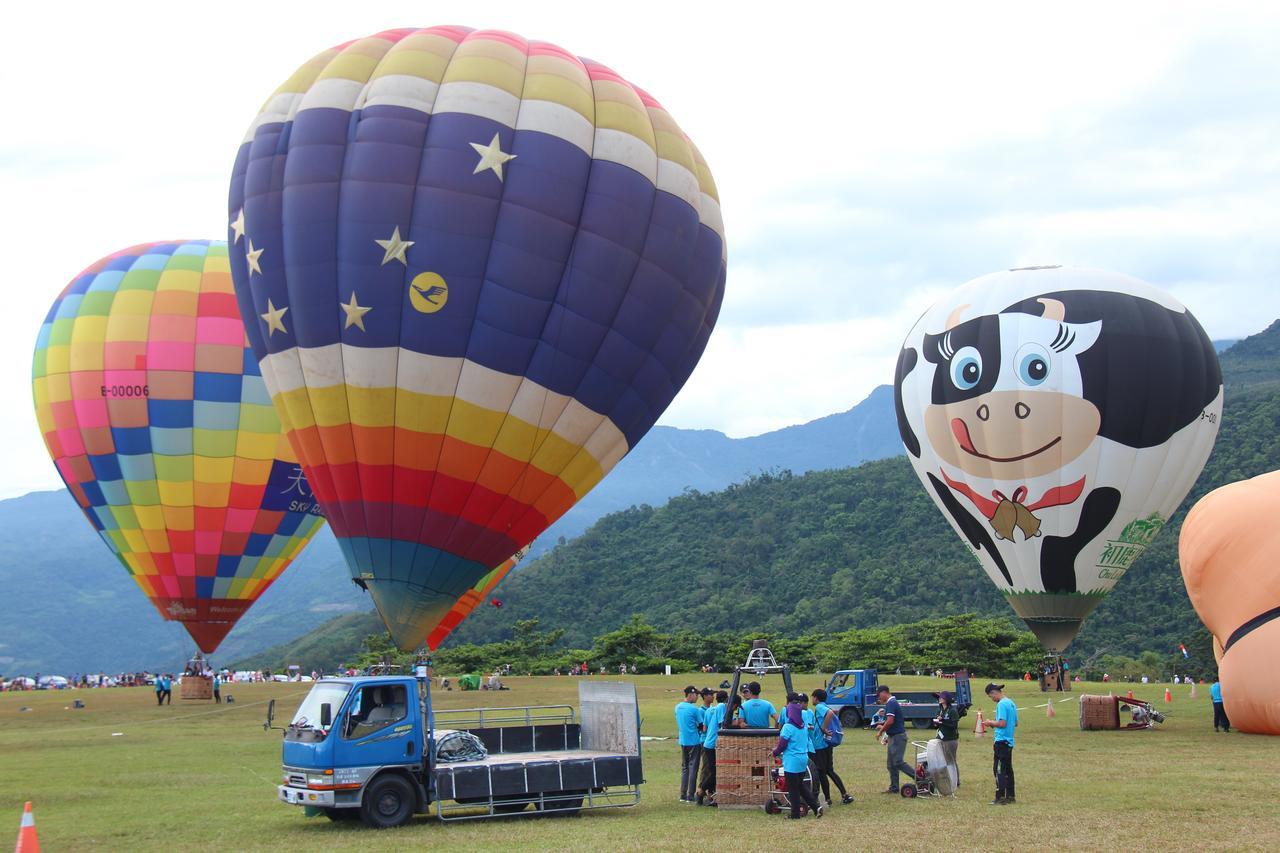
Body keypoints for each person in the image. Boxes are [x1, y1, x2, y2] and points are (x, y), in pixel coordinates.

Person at [772, 701, 823, 819]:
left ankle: (795, 814)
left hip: (792, 761)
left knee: (792, 788)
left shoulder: (787, 727)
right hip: (803, 759)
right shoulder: (803, 727)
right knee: (800, 786)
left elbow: (782, 745)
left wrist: (774, 752)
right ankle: (816, 807)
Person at [809, 689, 853, 806]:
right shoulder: (824, 706)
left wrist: (823, 728)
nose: (811, 699)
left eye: (812, 697)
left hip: (820, 745)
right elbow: (832, 712)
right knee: (829, 770)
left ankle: (828, 799)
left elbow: (830, 714)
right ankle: (845, 794)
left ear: (816, 698)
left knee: (821, 772)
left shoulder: (819, 707)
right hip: (827, 744)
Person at [874, 685, 915, 794]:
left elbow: (890, 721)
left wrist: (881, 731)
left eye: (879, 695)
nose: (879, 698)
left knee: (897, 762)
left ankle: (919, 778)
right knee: (891, 764)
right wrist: (887, 733)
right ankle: (894, 787)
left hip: (898, 737)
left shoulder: (891, 703)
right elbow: (891, 722)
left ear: (884, 693)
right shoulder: (890, 703)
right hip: (893, 736)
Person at [984, 682, 1018, 805]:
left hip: (1001, 742)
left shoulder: (1001, 704)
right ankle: (1010, 796)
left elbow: (1002, 723)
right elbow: (1015, 723)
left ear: (994, 693)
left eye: (990, 696)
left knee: (998, 770)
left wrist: (990, 723)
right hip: (1009, 742)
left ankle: (1000, 797)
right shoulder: (1011, 703)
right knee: (1008, 769)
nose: (991, 699)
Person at [698, 690, 727, 806]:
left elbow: (704, 728)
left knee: (710, 770)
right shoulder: (722, 708)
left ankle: (711, 795)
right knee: (714, 772)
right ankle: (701, 790)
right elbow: (721, 725)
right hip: (713, 743)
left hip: (706, 741)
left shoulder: (709, 710)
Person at [675, 686, 703, 803]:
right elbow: (702, 725)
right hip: (694, 741)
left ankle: (683, 794)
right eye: (696, 694)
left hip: (683, 741)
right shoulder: (694, 709)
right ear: (690, 695)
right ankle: (690, 795)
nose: (697, 697)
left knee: (685, 768)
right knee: (693, 768)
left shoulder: (677, 707)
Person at [932, 690, 961, 788]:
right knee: (941, 760)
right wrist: (936, 723)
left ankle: (956, 781)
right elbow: (937, 726)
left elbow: (954, 725)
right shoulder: (939, 709)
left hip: (950, 739)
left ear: (947, 700)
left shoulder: (952, 711)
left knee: (951, 760)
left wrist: (943, 721)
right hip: (940, 738)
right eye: (939, 697)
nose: (940, 699)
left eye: (942, 697)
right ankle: (946, 778)